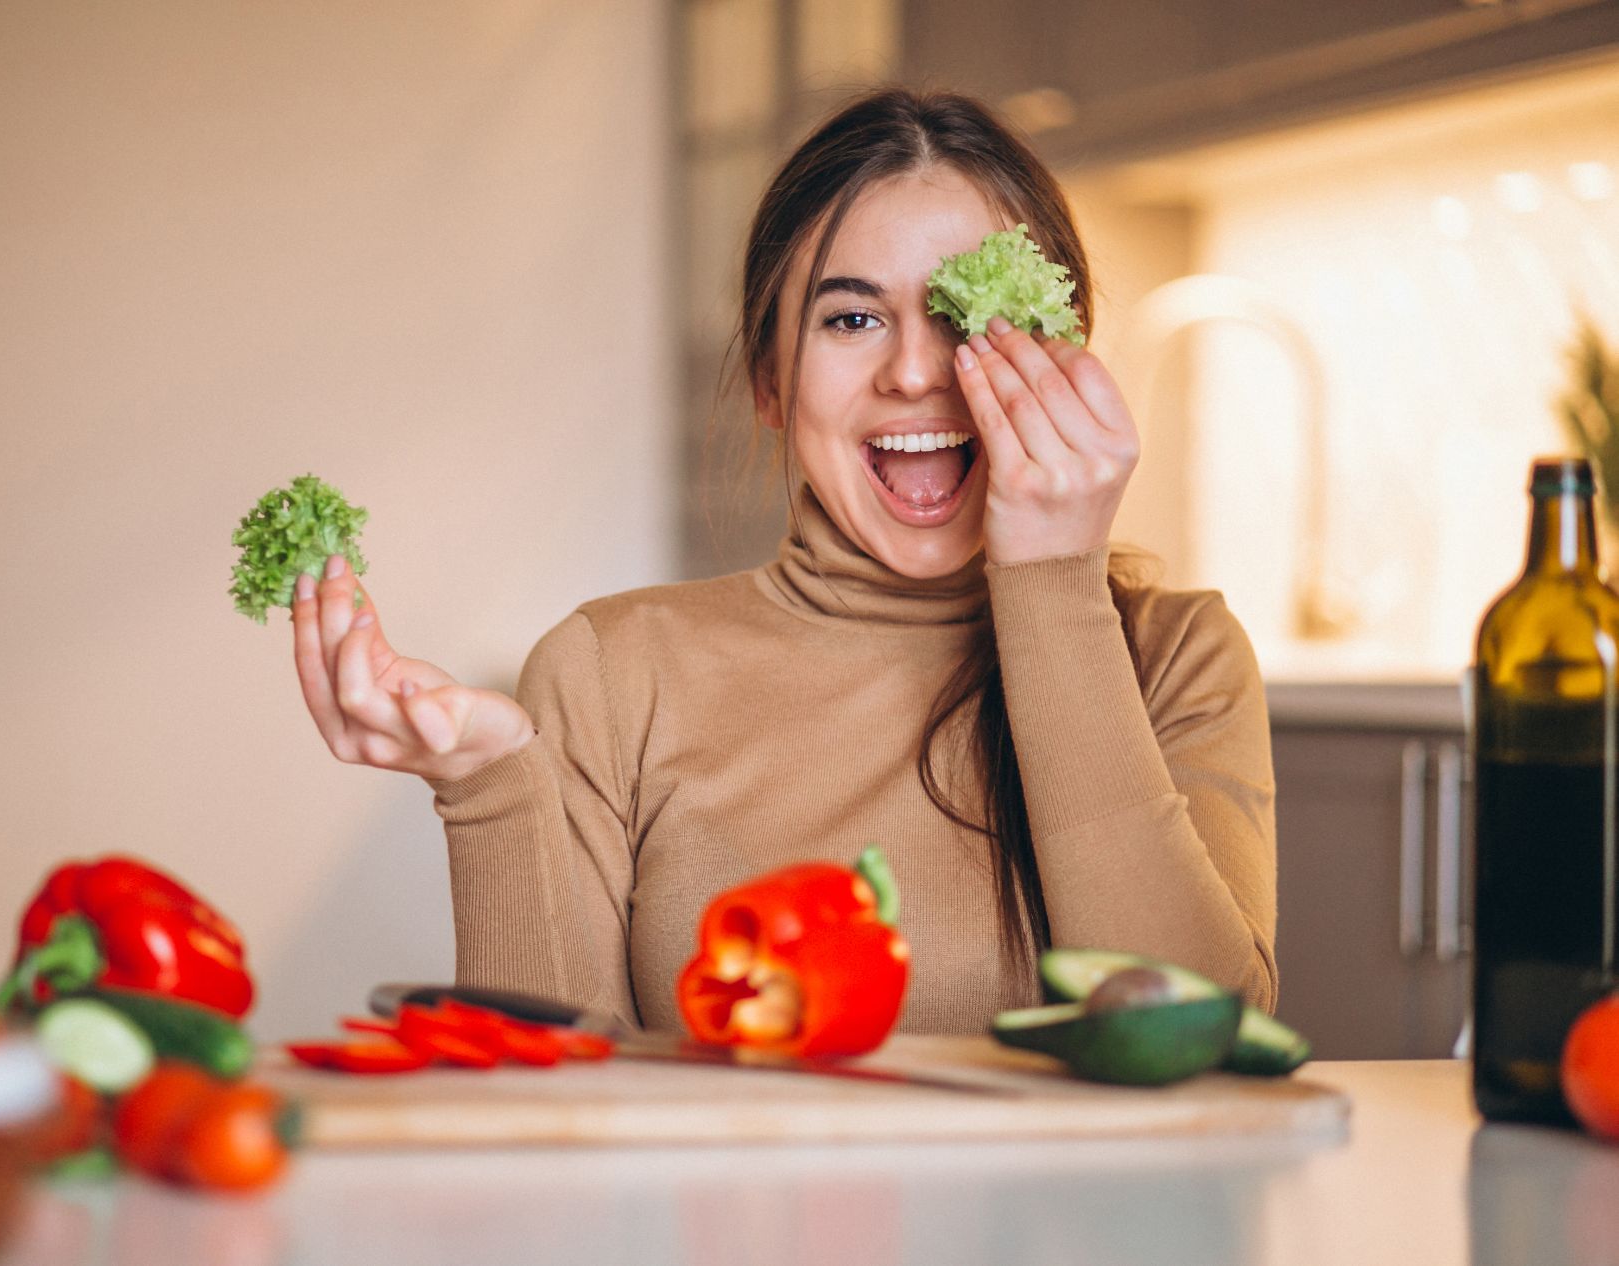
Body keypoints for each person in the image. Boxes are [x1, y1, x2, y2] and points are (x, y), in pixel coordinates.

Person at [287, 88, 1276, 1034]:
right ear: (769, 380)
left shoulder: (1176, 657)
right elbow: (561, 1121)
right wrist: (487, 784)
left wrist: (1053, 578)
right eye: (852, 317)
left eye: (966, 313)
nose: (916, 372)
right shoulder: (608, 672)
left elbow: (1198, 1047)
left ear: (1062, 360)